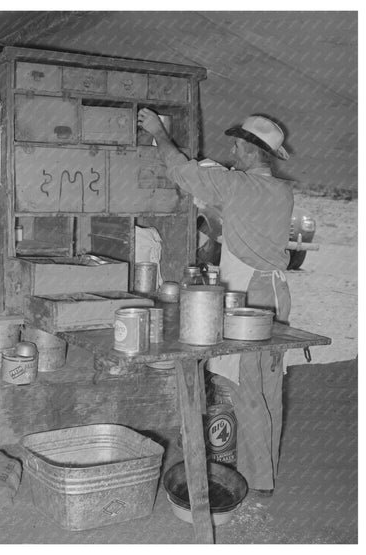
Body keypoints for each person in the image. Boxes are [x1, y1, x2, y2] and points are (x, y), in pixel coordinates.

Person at [137, 108, 294, 497]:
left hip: (252, 298)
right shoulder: (279, 190)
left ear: (248, 149)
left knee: (245, 388)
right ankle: (263, 474)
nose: (233, 150)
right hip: (275, 295)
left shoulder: (238, 185)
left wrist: (158, 132)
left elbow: (182, 171)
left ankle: (256, 481)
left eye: (237, 144)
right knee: (266, 386)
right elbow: (236, 214)